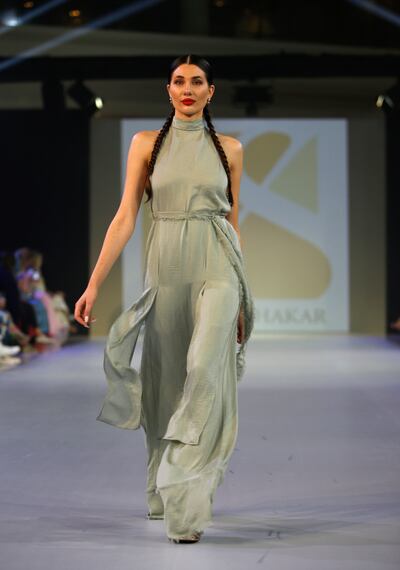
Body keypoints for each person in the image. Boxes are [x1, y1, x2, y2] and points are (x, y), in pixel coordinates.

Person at [74, 54, 255, 544]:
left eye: (197, 81)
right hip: (167, 268)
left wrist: (241, 296)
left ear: (211, 91)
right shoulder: (145, 144)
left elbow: (233, 222)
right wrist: (94, 283)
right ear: (168, 89)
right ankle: (163, 485)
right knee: (167, 380)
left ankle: (188, 501)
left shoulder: (231, 149)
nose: (187, 89)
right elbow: (125, 217)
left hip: (218, 265)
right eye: (179, 81)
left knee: (203, 371)